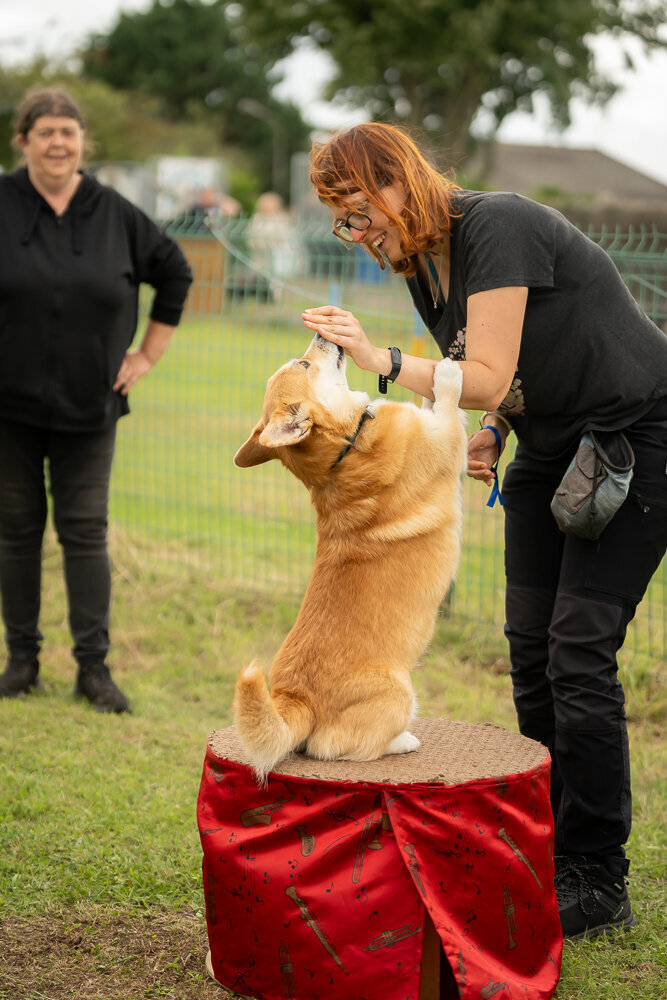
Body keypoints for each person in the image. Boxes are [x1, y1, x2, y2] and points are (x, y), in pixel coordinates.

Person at [301, 121, 667, 939]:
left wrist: (379, 358)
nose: (358, 236)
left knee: (578, 650)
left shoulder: (495, 224)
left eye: (360, 212)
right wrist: (496, 428)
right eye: (343, 221)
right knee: (530, 650)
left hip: (636, 435)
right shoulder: (423, 265)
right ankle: (546, 847)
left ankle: (597, 876)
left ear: (400, 181)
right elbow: (492, 375)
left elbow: (485, 371)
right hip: (545, 444)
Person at [0, 88, 192, 712]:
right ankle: (21, 661)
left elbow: (176, 272)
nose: (58, 142)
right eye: (45, 131)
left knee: (84, 533)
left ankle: (93, 669)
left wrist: (147, 355)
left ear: (82, 143)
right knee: (16, 533)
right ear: (22, 140)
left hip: (90, 407)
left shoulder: (116, 214)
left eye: (69, 132)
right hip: (9, 407)